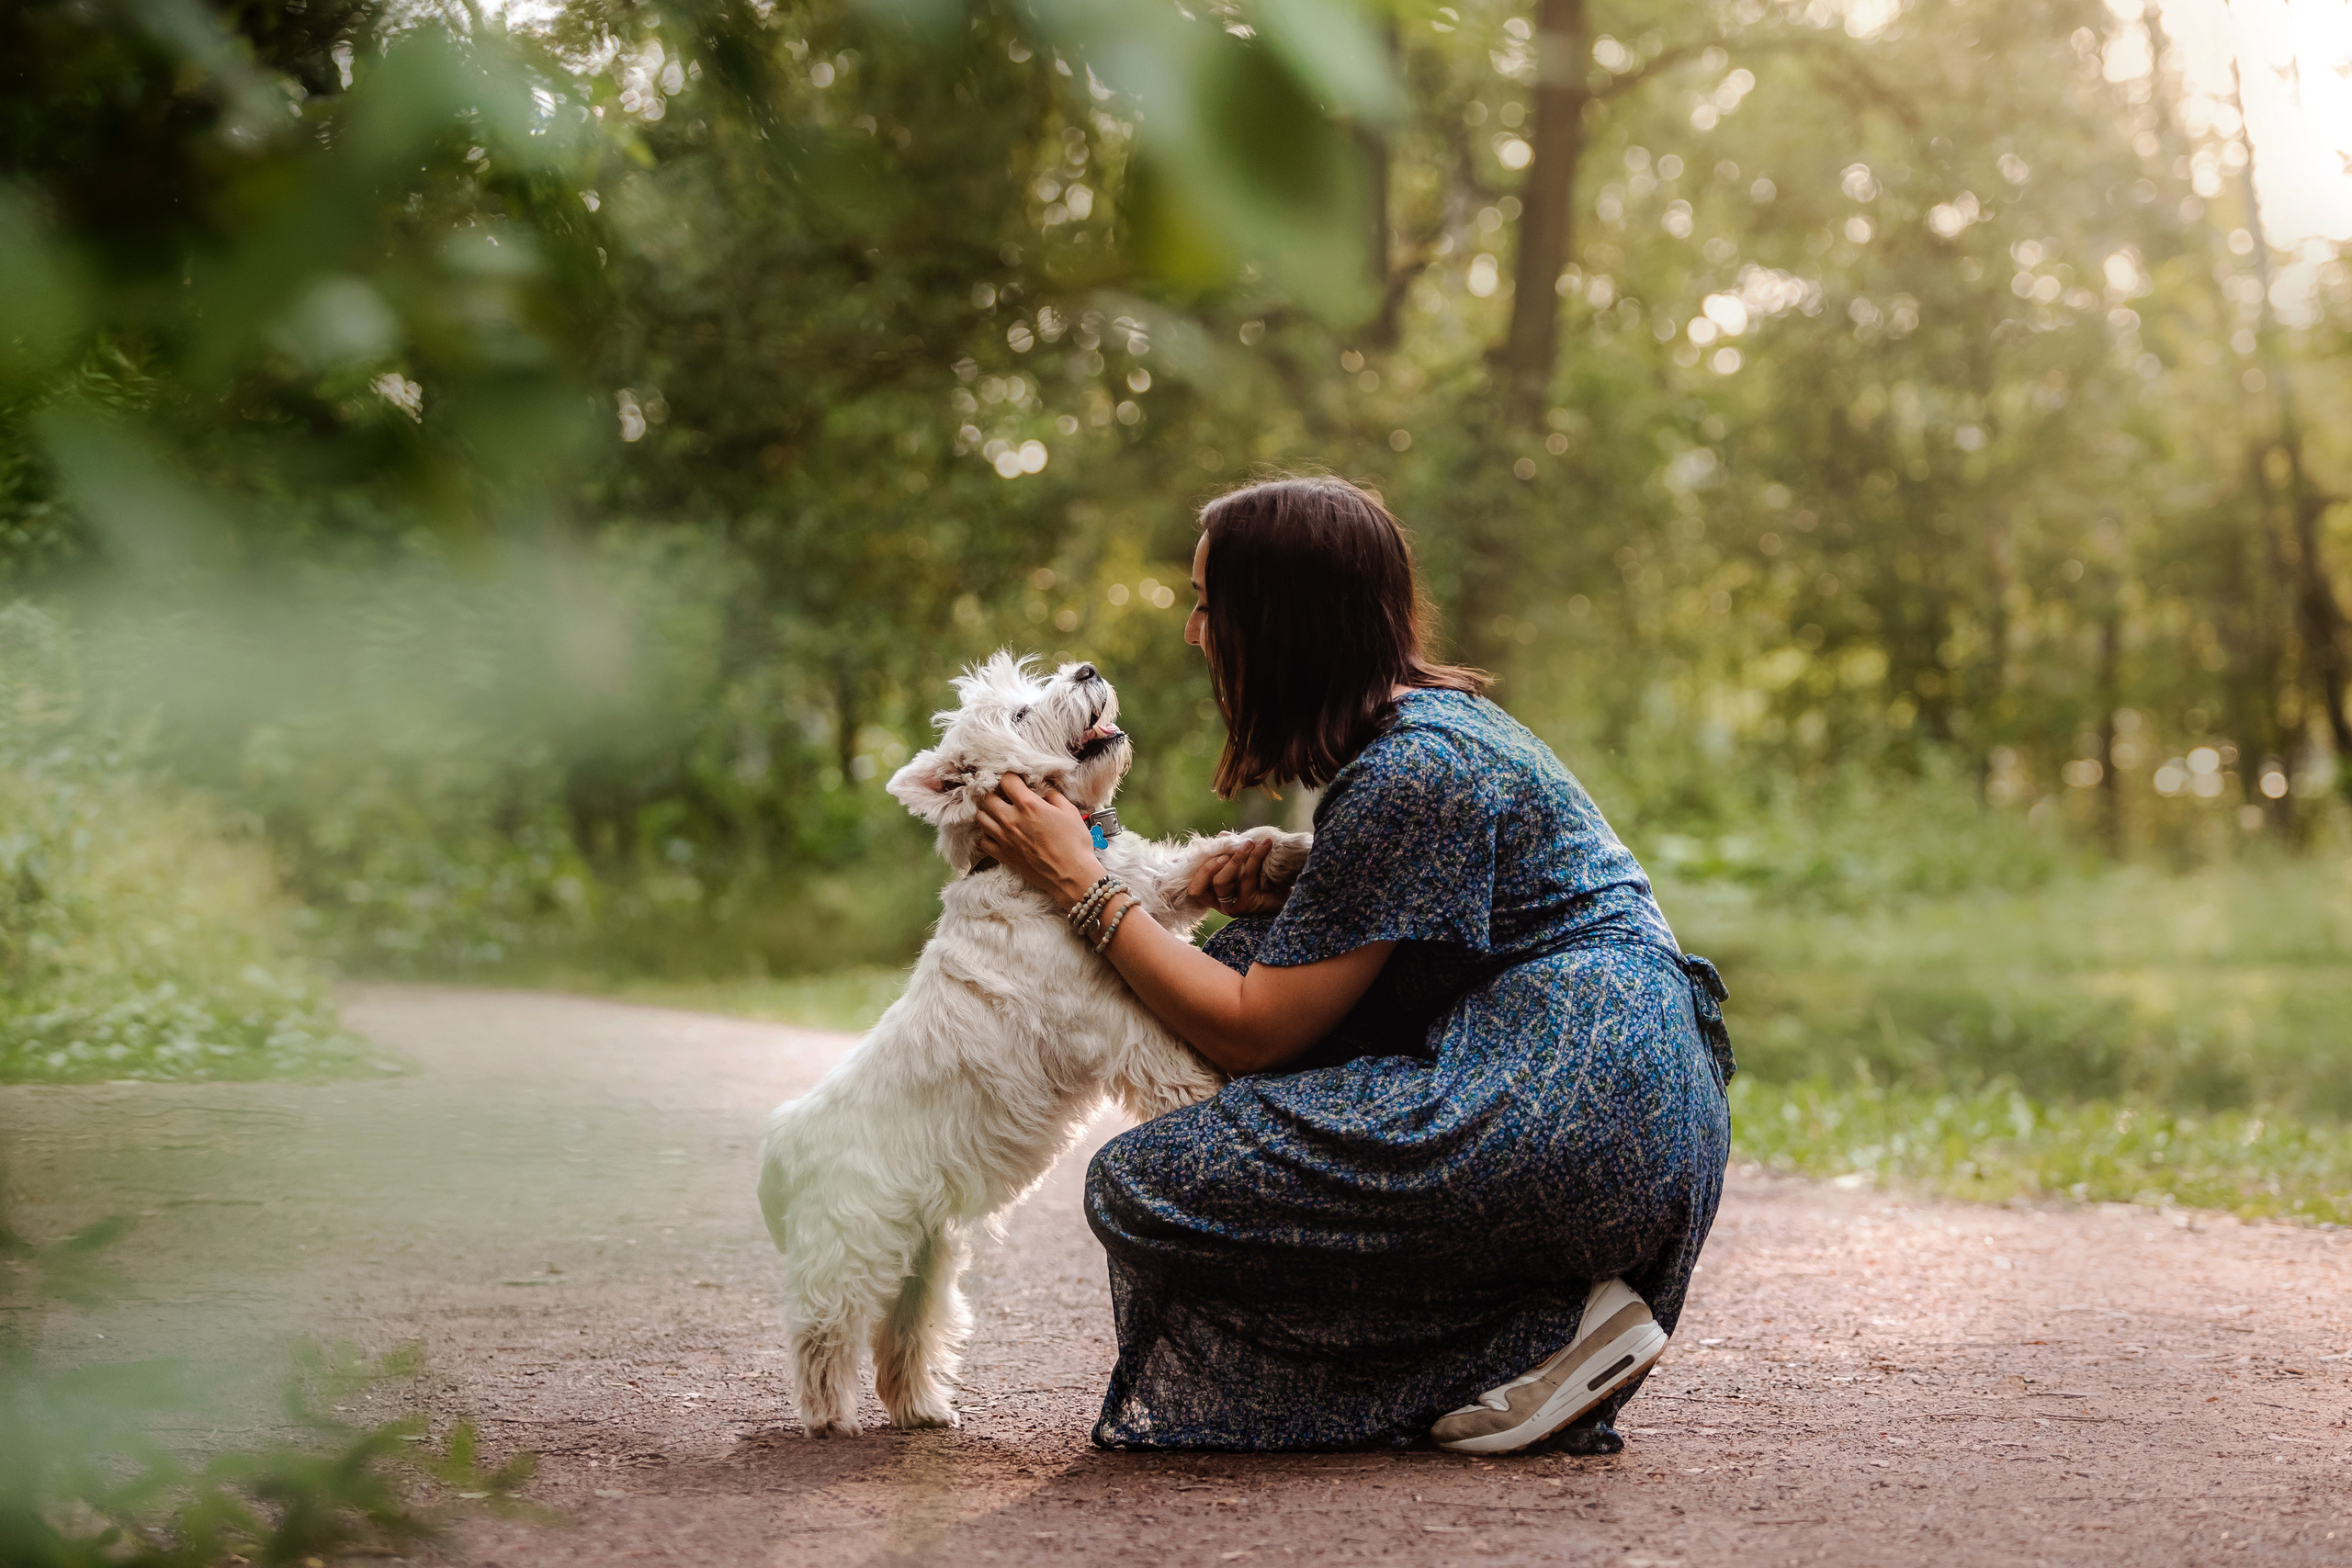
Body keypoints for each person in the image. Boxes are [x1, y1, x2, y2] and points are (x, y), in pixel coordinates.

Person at [971, 474, 1734, 1453]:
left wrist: (1082, 882)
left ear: (1277, 622)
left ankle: (1537, 1336)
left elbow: (1253, 1031)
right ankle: (1549, 1320)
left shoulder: (1414, 768)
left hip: (1572, 1103)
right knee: (1246, 950)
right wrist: (1308, 891)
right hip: (1612, 1099)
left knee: (1147, 1183)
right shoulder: (1435, 732)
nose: (1196, 634)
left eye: (1210, 606)